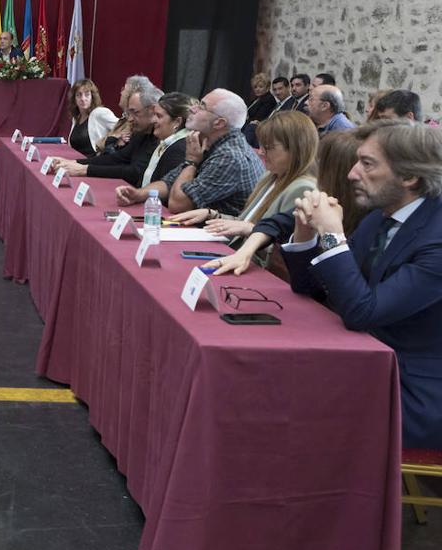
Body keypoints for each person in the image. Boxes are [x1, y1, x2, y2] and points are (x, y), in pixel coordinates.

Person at [280, 120, 442, 449]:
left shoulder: (436, 237)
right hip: (368, 366)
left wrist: (333, 236)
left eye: (367, 164)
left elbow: (361, 311)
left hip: (414, 394)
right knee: (272, 381)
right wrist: (306, 233)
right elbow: (314, 289)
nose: (352, 173)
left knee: (289, 408)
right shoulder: (380, 217)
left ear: (410, 177)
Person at [208, 129, 363, 277]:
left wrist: (331, 235)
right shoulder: (275, 179)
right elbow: (274, 224)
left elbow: (336, 282)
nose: (261, 152)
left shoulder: (371, 220)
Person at [167, 110, 318, 246]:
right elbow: (246, 223)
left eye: (269, 147)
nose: (261, 152)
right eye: (261, 146)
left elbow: (285, 244)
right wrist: (212, 214)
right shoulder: (272, 176)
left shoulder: (302, 188)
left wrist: (250, 229)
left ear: (296, 149)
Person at [160, 88, 265, 215]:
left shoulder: (229, 157)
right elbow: (169, 182)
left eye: (202, 107)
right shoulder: (208, 142)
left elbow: (177, 204)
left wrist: (191, 163)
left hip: (223, 233)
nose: (192, 109)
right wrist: (138, 194)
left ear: (219, 123)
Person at [54, 82, 164, 187]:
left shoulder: (160, 137)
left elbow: (135, 172)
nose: (129, 119)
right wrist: (74, 162)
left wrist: (84, 169)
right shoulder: (141, 133)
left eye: (135, 113)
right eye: (128, 113)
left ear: (152, 110)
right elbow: (116, 158)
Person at [111, 92, 195, 203]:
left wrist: (139, 196)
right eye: (154, 114)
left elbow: (168, 192)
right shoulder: (167, 143)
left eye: (159, 116)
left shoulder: (179, 149)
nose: (153, 120)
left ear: (177, 122)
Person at [66, 79, 117, 157]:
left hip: (95, 164)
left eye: (87, 94)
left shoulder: (99, 113)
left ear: (92, 97)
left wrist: (109, 143)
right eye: (79, 95)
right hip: (77, 162)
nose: (83, 99)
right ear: (74, 99)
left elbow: (123, 127)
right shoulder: (76, 118)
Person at [101, 75, 153, 150]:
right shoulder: (124, 118)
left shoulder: (135, 124)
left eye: (124, 89)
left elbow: (117, 155)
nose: (121, 92)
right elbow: (100, 144)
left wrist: (114, 141)